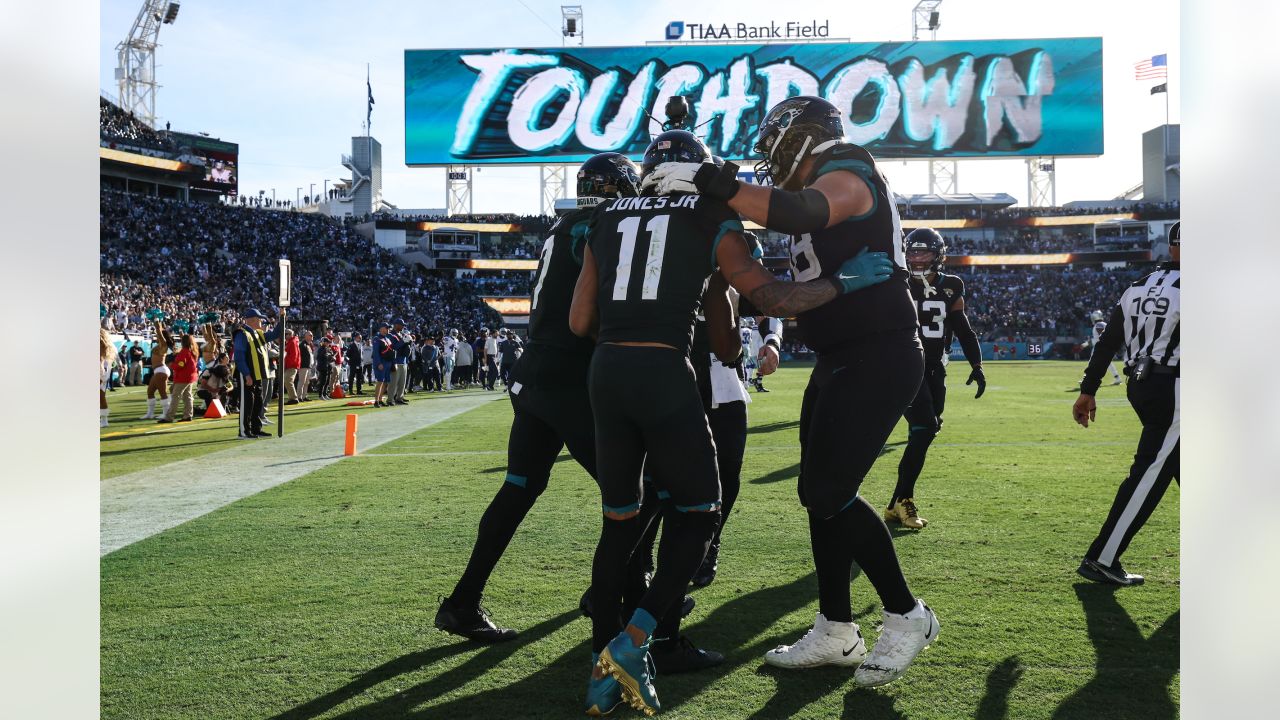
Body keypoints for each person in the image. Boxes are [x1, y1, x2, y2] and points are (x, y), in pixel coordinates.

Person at [573, 131, 873, 715]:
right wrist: (844, 281)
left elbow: (580, 318)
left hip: (607, 371)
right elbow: (771, 299)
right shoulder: (711, 214)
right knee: (700, 512)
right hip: (663, 368)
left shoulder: (604, 217)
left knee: (619, 520)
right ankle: (632, 644)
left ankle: (599, 664)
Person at [647, 96, 939, 686]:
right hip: (840, 354)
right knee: (818, 494)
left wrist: (711, 180)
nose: (768, 155)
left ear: (802, 135)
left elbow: (803, 210)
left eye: (773, 141)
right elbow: (781, 283)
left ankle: (908, 614)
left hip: (881, 350)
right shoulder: (818, 180)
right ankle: (836, 628)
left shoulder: (852, 168)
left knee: (829, 490)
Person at [435, 153, 639, 652]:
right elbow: (592, 312)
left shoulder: (560, 226)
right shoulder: (597, 227)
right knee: (639, 491)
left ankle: (463, 602)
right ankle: (619, 595)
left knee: (519, 487)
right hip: (570, 378)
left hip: (534, 376)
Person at [1072, 221, 1181, 586]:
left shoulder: (1138, 287)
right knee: (1149, 472)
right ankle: (1102, 557)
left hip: (1142, 383)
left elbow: (1108, 343)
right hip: (1177, 389)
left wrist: (1089, 389)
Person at [882, 228, 986, 529]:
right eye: (912, 252)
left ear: (938, 255)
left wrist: (976, 364)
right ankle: (904, 500)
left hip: (935, 369)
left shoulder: (952, 285)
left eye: (923, 252)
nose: (915, 258)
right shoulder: (896, 281)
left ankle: (895, 503)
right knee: (924, 427)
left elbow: (962, 327)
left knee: (926, 431)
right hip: (903, 365)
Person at [232, 309, 283, 439]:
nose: (262, 321)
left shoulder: (257, 333)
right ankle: (244, 431)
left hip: (258, 375)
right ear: (253, 320)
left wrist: (282, 316)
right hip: (248, 375)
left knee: (257, 403)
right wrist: (246, 374)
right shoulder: (242, 334)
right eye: (260, 319)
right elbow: (239, 356)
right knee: (247, 403)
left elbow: (277, 333)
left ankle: (256, 428)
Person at [158, 333, 199, 423]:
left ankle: (169, 417)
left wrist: (172, 365)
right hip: (190, 377)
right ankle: (188, 415)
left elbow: (181, 364)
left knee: (175, 396)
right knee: (187, 396)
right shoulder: (192, 351)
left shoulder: (184, 352)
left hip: (183, 377)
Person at [139, 316, 174, 419]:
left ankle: (166, 413)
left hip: (161, 370)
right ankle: (150, 413)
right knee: (150, 392)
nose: (156, 336)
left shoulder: (163, 345)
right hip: (158, 371)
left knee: (162, 393)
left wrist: (156, 322)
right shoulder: (160, 344)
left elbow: (159, 332)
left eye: (158, 335)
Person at [1085, 310, 1125, 386]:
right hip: (1104, 346)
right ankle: (1117, 378)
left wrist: (1091, 342)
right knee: (1107, 363)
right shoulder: (1103, 324)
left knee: (1092, 362)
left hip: (1100, 346)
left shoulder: (1099, 324)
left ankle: (1087, 379)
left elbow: (1102, 336)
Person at [372, 322, 395, 407]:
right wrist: (379, 363)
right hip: (381, 362)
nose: (388, 329)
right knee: (380, 381)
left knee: (385, 382)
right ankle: (376, 401)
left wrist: (393, 363)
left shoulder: (387, 338)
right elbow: (376, 353)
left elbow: (391, 352)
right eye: (386, 328)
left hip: (388, 363)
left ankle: (381, 400)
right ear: (381, 329)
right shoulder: (376, 338)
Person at [391, 319, 410, 404]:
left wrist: (408, 341)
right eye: (401, 325)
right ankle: (391, 399)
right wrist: (403, 341)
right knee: (394, 383)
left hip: (404, 360)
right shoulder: (391, 335)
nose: (403, 326)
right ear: (396, 325)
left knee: (402, 382)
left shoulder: (401, 334)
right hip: (397, 360)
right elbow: (393, 347)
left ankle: (400, 397)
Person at [100, 328, 117, 427]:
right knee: (101, 396)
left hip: (101, 369)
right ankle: (104, 420)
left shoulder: (101, 345)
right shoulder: (109, 346)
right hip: (104, 370)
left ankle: (104, 421)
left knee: (100, 396)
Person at [282, 329, 301, 404]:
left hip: (291, 365)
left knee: (288, 380)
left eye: (287, 334)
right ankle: (292, 398)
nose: (286, 335)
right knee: (288, 381)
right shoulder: (291, 342)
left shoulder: (292, 342)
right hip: (291, 365)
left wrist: (287, 365)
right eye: (286, 334)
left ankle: (293, 398)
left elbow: (294, 356)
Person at [297, 330, 314, 402]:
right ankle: (299, 396)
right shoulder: (302, 345)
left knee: (307, 382)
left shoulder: (309, 345)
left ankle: (304, 396)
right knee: (302, 381)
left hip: (308, 366)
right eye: (310, 335)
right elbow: (299, 356)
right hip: (303, 366)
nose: (312, 336)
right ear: (306, 336)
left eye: (312, 335)